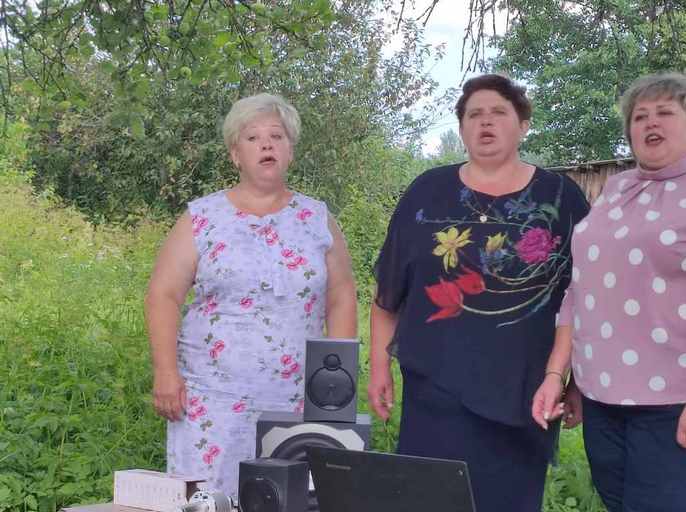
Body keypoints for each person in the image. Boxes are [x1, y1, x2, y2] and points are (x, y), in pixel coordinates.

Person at [532, 72, 686, 511]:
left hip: (682, 397)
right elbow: (582, 290)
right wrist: (565, 378)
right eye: (639, 116)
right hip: (602, 397)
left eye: (665, 112)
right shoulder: (617, 188)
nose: (650, 123)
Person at [368, 73, 589, 511]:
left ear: (523, 125)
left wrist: (576, 383)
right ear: (462, 127)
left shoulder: (561, 198)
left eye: (499, 113)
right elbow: (388, 290)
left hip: (523, 395)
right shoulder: (426, 192)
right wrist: (378, 367)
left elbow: (585, 299)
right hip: (434, 390)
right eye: (474, 115)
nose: (485, 122)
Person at [144, 93, 357, 497]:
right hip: (211, 399)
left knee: (290, 499)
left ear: (290, 150)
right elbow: (162, 295)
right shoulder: (201, 217)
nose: (266, 145)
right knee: (210, 500)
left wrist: (338, 388)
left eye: (277, 136)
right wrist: (165, 372)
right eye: (253, 138)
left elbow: (341, 296)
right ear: (235, 154)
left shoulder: (317, 219)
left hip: (297, 400)